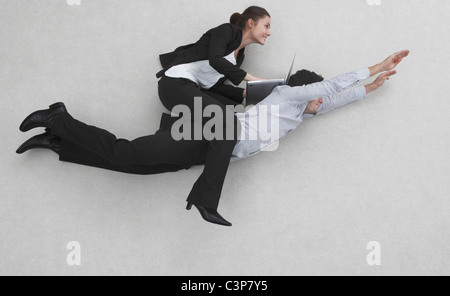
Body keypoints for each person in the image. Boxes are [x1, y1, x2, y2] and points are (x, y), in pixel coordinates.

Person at [16, 50, 409, 226]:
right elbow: (333, 84)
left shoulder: (304, 114)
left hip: (212, 152)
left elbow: (339, 97)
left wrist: (373, 86)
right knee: (125, 151)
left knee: (132, 166)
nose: (321, 102)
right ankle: (60, 118)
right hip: (212, 133)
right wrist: (375, 63)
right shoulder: (287, 95)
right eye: (317, 96)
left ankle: (59, 144)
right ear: (307, 91)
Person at [155, 6, 271, 225]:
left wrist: (248, 93)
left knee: (229, 123)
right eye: (266, 25)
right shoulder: (226, 31)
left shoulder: (239, 57)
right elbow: (215, 59)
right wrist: (252, 79)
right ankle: (205, 200)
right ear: (250, 23)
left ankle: (168, 132)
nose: (268, 32)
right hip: (174, 84)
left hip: (190, 89)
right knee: (227, 123)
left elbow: (215, 85)